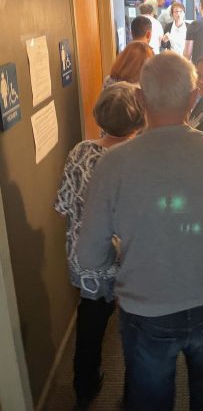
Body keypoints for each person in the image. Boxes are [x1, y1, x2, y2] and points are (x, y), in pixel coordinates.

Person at [77, 52, 203, 411]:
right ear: (193, 97)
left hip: (145, 307)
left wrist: (126, 249)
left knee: (150, 402)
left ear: (140, 98)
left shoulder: (113, 164)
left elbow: (89, 256)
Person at [55, 83, 145, 410]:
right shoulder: (140, 159)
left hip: (86, 258)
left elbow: (63, 204)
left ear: (100, 115)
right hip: (128, 260)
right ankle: (134, 394)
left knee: (90, 320)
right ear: (139, 118)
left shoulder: (80, 152)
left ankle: (84, 387)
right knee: (136, 328)